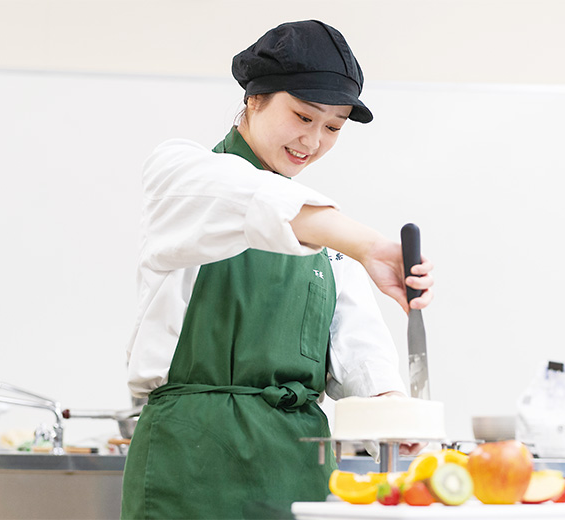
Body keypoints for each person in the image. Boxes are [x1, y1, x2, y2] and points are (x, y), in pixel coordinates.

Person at [121, 20, 434, 520]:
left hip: (296, 460)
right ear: (255, 99)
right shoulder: (179, 172)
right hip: (190, 460)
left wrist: (392, 407)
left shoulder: (327, 235)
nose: (312, 140)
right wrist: (368, 244)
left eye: (333, 127)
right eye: (302, 116)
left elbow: (358, 347)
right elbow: (247, 197)